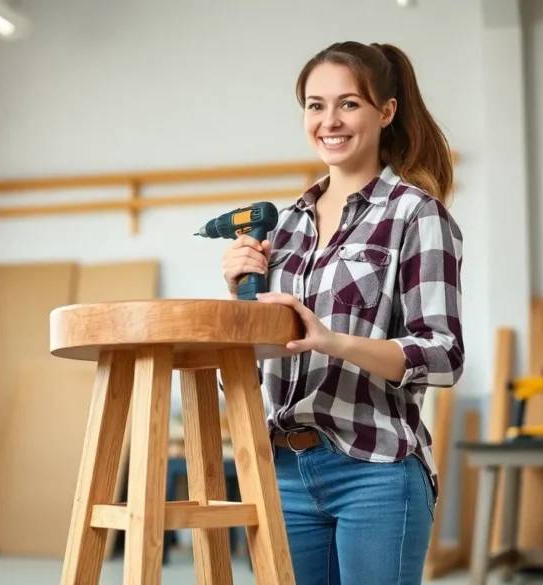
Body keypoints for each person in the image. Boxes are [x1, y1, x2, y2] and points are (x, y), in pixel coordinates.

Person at [221, 41, 464, 584]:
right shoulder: (283, 227)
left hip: (375, 473)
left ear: (386, 111)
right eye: (315, 105)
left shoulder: (417, 216)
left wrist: (331, 340)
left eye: (349, 104)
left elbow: (445, 356)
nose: (329, 120)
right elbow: (253, 370)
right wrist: (239, 298)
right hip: (282, 469)